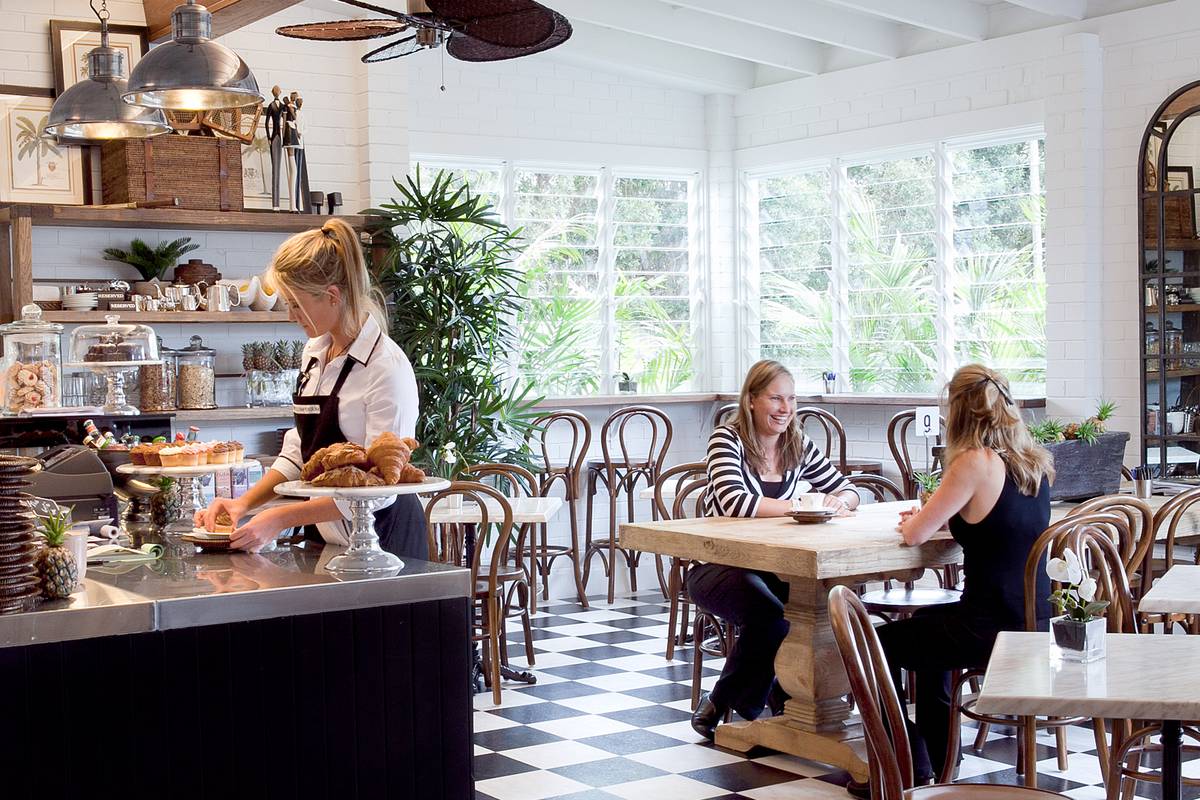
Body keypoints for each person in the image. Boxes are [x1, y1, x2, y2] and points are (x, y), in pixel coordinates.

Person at [870, 364, 1053, 790]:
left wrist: (919, 520)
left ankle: (907, 755)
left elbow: (915, 533)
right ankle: (931, 761)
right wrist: (946, 520)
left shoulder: (974, 461)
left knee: (875, 644)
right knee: (928, 642)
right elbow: (999, 524)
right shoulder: (1035, 463)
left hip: (987, 627)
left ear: (958, 411)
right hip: (1033, 620)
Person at [197, 218, 424, 558]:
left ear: (332, 296)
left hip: (386, 542)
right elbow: (299, 452)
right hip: (329, 539)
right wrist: (244, 504)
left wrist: (280, 518)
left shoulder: (385, 369)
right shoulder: (315, 353)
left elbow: (381, 490)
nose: (291, 315)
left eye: (296, 304)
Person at [688, 359, 859, 740]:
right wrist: (806, 507)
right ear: (751, 400)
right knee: (773, 618)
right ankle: (732, 701)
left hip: (780, 566)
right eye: (776, 398)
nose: (786, 409)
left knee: (814, 612)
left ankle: (788, 706)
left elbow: (847, 487)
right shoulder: (727, 439)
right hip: (722, 564)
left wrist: (839, 501)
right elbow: (736, 501)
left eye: (792, 399)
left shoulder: (797, 443)